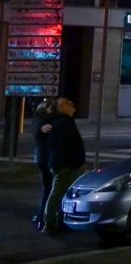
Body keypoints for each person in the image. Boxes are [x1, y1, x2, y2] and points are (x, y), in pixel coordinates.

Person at [40, 97, 85, 235]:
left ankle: (57, 221)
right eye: (67, 103)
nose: (71, 104)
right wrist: (78, 162)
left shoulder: (64, 121)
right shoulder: (63, 122)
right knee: (58, 193)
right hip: (64, 164)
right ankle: (50, 223)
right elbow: (69, 146)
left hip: (64, 163)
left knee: (61, 193)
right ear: (60, 108)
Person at [29, 100, 53, 231]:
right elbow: (38, 130)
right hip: (46, 158)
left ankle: (42, 216)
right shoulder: (43, 120)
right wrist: (41, 129)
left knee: (48, 188)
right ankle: (43, 217)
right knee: (49, 189)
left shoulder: (39, 119)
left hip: (43, 158)